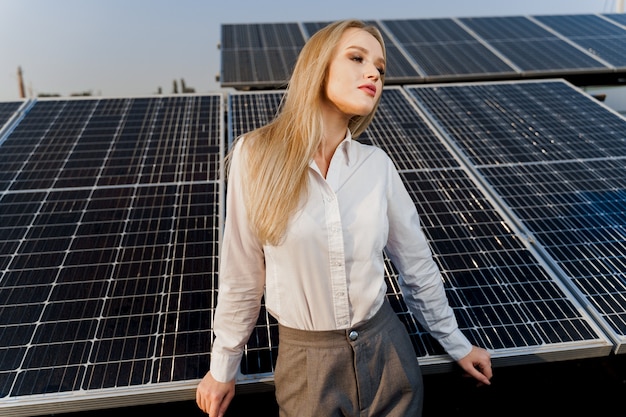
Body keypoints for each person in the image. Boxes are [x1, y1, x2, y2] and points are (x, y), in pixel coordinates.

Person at [196, 19, 492, 417]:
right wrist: (223, 366)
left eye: (380, 69)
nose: (374, 73)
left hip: (389, 354)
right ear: (319, 66)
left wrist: (456, 343)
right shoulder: (254, 156)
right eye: (357, 58)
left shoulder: (377, 166)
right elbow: (242, 273)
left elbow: (417, 267)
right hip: (307, 365)